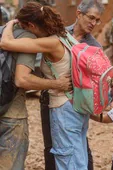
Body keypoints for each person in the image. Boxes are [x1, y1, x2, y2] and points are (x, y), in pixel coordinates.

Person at [0, 2, 95, 169]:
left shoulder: (50, 42)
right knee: (78, 155)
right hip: (77, 104)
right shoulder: (66, 35)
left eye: (24, 26)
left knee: (66, 159)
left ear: (31, 25)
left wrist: (9, 25)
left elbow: (6, 43)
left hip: (63, 107)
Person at [39, 0, 105, 170]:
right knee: (51, 147)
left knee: (76, 148)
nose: (93, 23)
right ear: (78, 13)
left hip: (74, 106)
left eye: (97, 20)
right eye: (91, 17)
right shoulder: (58, 34)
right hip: (49, 99)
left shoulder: (93, 47)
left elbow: (97, 83)